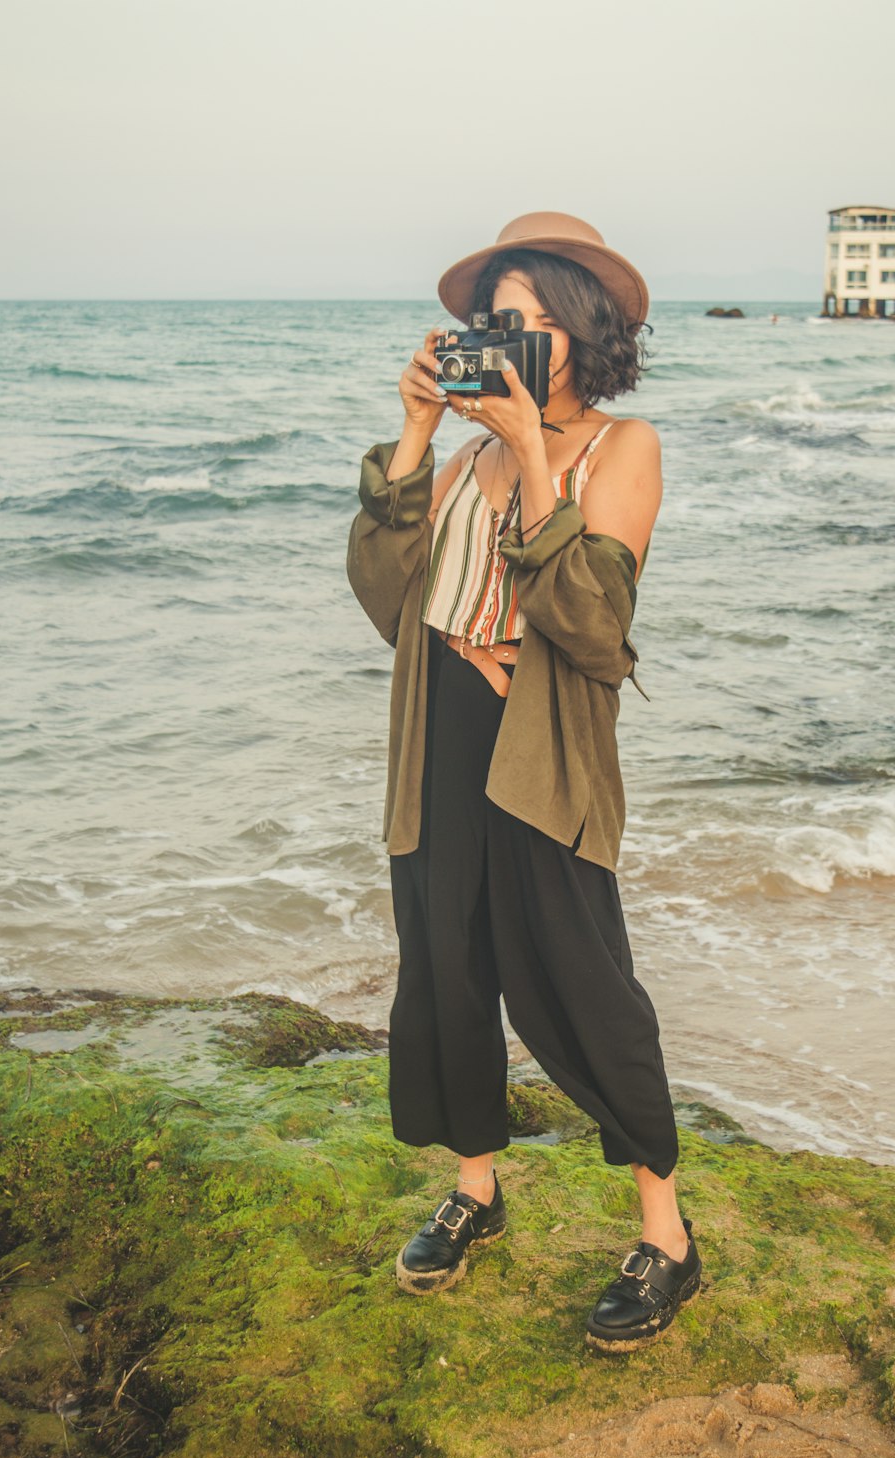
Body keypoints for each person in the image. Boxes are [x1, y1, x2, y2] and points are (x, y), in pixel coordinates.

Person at [346, 212, 702, 1354]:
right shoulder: (461, 458)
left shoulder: (620, 448)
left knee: (580, 982)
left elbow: (593, 629)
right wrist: (410, 436)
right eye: (498, 321)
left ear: (584, 333)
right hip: (438, 739)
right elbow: (386, 600)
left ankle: (668, 1236)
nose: (513, 340)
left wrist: (538, 455)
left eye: (535, 322)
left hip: (537, 750)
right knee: (447, 970)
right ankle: (478, 1191)